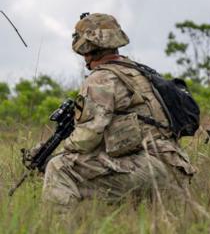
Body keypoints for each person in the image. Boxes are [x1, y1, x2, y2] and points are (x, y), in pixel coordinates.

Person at [39, 13, 196, 210]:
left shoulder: (100, 79)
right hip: (175, 168)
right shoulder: (136, 70)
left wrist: (58, 152)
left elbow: (86, 138)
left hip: (150, 170)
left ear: (86, 48)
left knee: (59, 167)